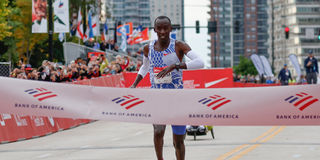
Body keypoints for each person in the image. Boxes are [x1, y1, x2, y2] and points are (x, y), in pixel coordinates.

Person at [130, 16, 204, 160]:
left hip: (177, 98)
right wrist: (134, 84)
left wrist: (175, 66)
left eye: (166, 28)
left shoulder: (179, 45)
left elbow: (200, 62)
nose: (162, 31)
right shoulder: (148, 48)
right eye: (159, 28)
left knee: (178, 141)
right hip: (157, 98)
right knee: (158, 131)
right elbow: (145, 68)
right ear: (155, 30)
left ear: (170, 29)